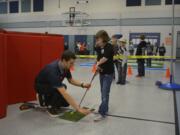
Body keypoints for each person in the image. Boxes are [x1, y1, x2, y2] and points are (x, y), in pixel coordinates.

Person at [34, 50, 91, 117]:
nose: (72, 65)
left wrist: (82, 85)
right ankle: (49, 106)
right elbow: (64, 93)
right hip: (40, 86)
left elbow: (71, 80)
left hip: (50, 85)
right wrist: (78, 109)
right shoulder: (53, 71)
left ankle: (48, 100)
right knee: (59, 90)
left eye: (73, 63)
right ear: (64, 60)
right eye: (71, 63)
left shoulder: (65, 67)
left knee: (65, 103)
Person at [94, 30, 114, 121]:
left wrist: (98, 63)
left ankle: (102, 112)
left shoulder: (109, 47)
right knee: (103, 92)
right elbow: (98, 57)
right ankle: (104, 109)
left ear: (103, 39)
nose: (97, 41)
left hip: (108, 74)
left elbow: (105, 58)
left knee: (105, 93)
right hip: (102, 73)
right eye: (96, 40)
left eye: (98, 40)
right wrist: (97, 67)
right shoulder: (99, 47)